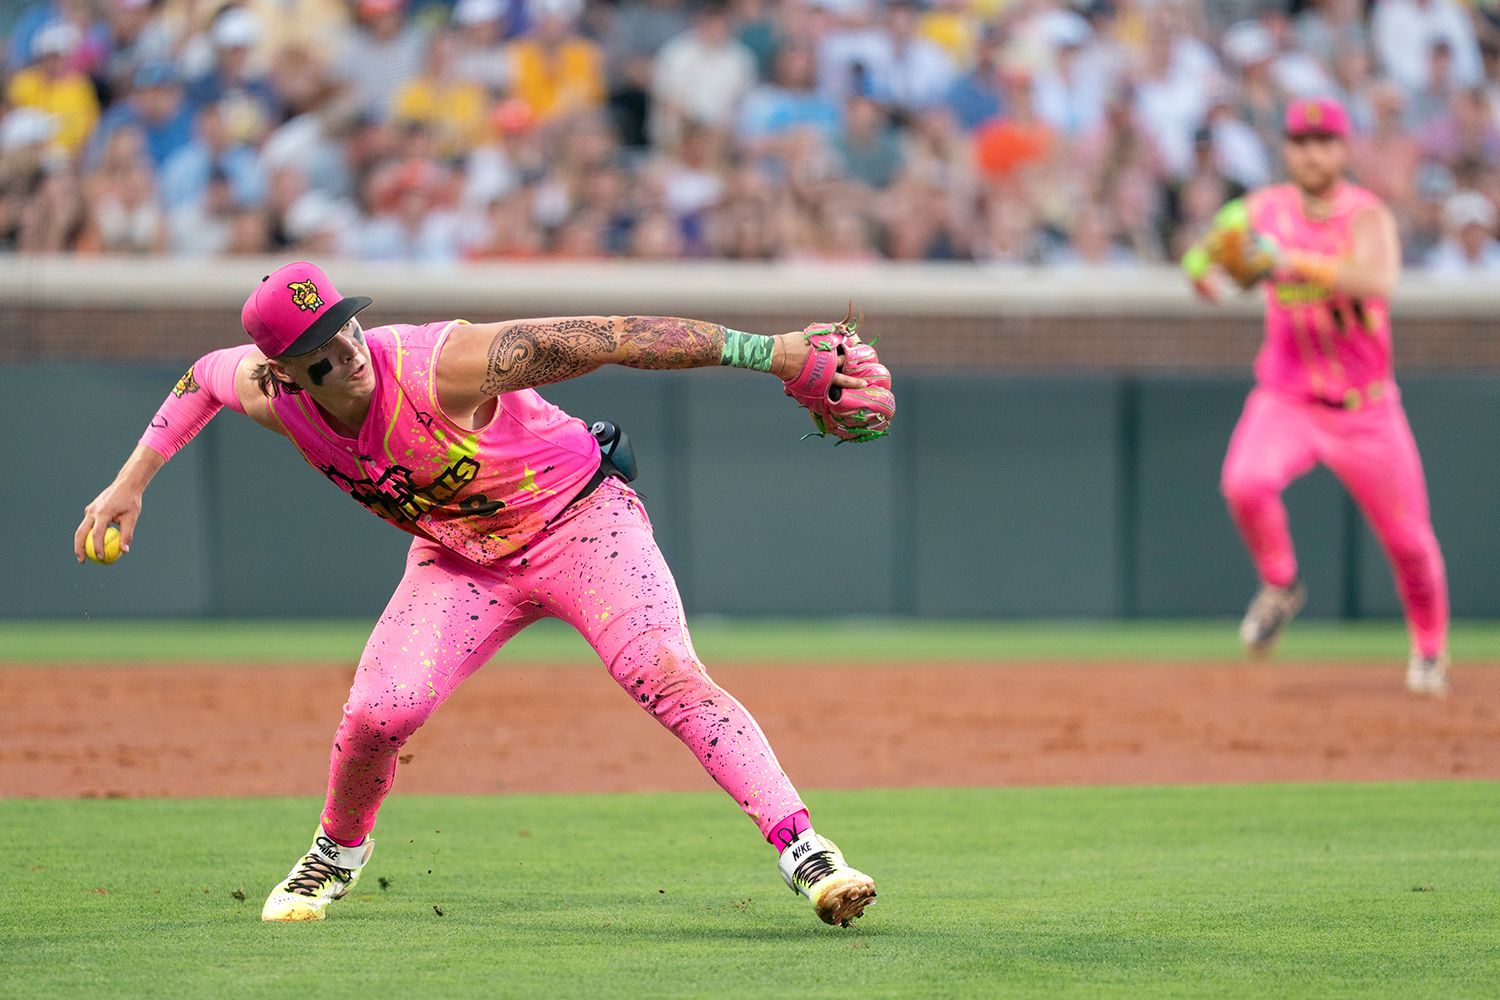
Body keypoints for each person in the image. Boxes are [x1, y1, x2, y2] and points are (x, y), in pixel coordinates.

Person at [75, 261, 883, 926]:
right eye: (320, 351)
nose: (346, 351)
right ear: (284, 373)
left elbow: (612, 337)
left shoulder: (442, 364)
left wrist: (769, 350)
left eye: (345, 327)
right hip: (462, 558)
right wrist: (127, 484)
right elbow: (200, 378)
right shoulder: (269, 396)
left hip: (580, 522)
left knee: (664, 671)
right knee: (378, 715)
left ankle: (806, 849)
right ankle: (336, 854)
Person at [1184, 97, 1451, 695]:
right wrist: (1204, 266)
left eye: (1323, 142)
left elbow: (1377, 280)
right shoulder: (1263, 208)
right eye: (1300, 143)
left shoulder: (1364, 215)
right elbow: (1209, 246)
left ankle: (1429, 652)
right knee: (1244, 483)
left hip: (1366, 407)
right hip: (1288, 398)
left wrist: (1291, 259)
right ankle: (1281, 584)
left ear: (1343, 149)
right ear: (1286, 149)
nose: (1311, 153)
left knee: (1410, 542)